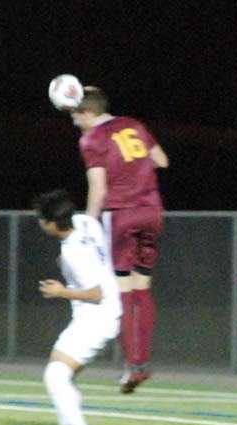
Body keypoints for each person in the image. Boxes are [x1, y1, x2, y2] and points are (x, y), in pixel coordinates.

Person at [71, 86, 169, 394]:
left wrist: (88, 224)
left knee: (122, 292)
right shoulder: (134, 125)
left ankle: (134, 366)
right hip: (153, 211)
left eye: (75, 114)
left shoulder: (91, 139)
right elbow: (161, 160)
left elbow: (98, 190)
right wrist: (135, 171)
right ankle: (140, 361)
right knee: (142, 288)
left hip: (123, 216)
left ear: (88, 112)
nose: (73, 120)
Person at [34, 189, 121, 425]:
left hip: (97, 316)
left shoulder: (73, 253)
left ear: (51, 224)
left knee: (55, 374)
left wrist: (61, 291)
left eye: (41, 218)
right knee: (62, 373)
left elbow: (96, 294)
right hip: (106, 313)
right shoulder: (85, 223)